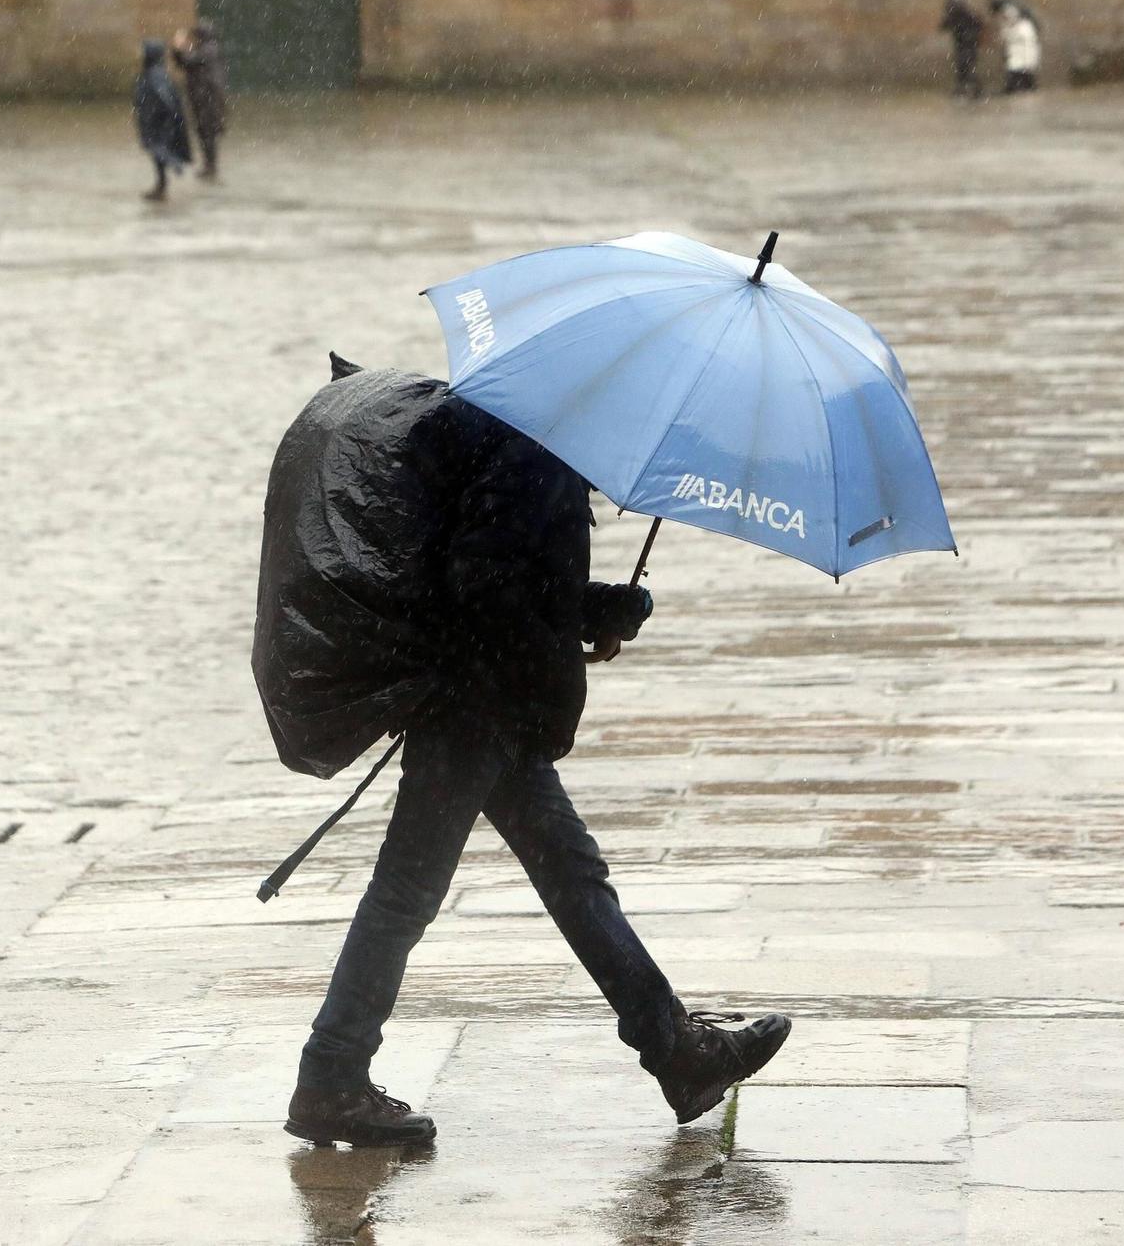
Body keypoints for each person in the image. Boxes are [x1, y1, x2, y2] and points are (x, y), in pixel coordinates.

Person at [254, 358, 791, 1148]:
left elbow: (506, 571)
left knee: (573, 875)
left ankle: (675, 1049)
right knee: (409, 893)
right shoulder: (534, 449)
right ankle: (331, 1073)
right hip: (478, 706)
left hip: (487, 703)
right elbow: (488, 582)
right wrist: (578, 618)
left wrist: (594, 607)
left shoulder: (524, 429)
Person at [132, 39, 191, 201]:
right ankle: (161, 186)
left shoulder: (156, 75)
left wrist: (160, 117)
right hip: (155, 123)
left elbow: (166, 100)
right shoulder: (153, 72)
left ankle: (161, 187)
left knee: (160, 152)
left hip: (158, 124)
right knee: (157, 154)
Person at [170, 21, 228, 180]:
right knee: (204, 132)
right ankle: (209, 165)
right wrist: (178, 50)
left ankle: (211, 166)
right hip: (204, 98)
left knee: (207, 132)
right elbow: (185, 63)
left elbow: (188, 61)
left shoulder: (209, 49)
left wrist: (179, 46)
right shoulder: (207, 48)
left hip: (208, 99)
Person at [938, 0, 985, 100]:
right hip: (963, 46)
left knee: (967, 68)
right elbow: (943, 27)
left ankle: (974, 90)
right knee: (963, 68)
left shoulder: (968, 15)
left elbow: (979, 25)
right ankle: (966, 90)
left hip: (968, 46)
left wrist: (971, 35)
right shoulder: (955, 16)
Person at [992, 0, 1041, 94]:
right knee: (1019, 71)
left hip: (1023, 53)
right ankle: (1020, 88)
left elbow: (1020, 37)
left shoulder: (1024, 26)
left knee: (1020, 71)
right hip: (1017, 53)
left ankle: (1019, 88)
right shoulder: (1012, 25)